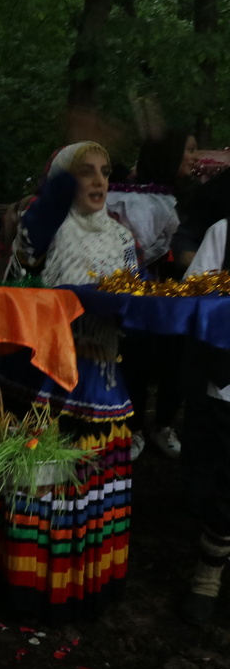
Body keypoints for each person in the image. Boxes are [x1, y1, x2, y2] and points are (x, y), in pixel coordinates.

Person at [0, 141, 136, 621]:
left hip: (102, 380)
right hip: (47, 380)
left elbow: (134, 301)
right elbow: (30, 257)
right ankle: (33, 593)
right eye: (84, 173)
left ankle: (85, 586)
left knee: (93, 488)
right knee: (44, 485)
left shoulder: (121, 238)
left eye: (104, 172)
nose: (97, 181)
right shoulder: (43, 230)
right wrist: (62, 180)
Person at [110, 129, 197, 460]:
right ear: (168, 156)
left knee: (175, 360)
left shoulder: (192, 195)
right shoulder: (133, 199)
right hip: (141, 295)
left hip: (179, 296)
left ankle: (162, 424)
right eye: (187, 149)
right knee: (136, 359)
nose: (194, 156)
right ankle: (130, 429)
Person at [178, 222, 230, 623]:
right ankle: (208, 571)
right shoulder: (225, 233)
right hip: (224, 382)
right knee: (217, 484)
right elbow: (196, 295)